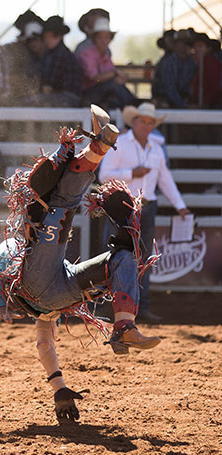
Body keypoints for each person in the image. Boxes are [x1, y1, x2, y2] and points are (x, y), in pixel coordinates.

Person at [0, 105, 161, 422]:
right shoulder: (17, 245)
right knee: (62, 204)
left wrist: (60, 389)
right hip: (42, 280)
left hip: (49, 288)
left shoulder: (16, 251)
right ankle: (98, 148)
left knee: (120, 258)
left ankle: (124, 326)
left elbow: (41, 341)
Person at [99, 102, 190, 323]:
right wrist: (133, 172)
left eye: (151, 123)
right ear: (135, 122)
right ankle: (108, 308)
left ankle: (138, 307)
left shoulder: (155, 148)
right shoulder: (120, 142)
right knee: (114, 258)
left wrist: (180, 205)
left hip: (144, 207)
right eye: (144, 121)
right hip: (122, 207)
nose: (147, 126)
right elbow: (104, 176)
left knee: (142, 259)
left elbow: (165, 179)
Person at [77, 17, 135, 110]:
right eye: (100, 37)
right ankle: (134, 106)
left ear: (110, 39)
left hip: (101, 95)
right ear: (94, 39)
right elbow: (96, 79)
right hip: (86, 95)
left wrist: (118, 78)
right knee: (113, 86)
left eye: (106, 37)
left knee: (115, 99)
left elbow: (108, 74)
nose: (103, 41)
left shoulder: (105, 55)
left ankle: (132, 110)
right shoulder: (87, 54)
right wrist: (115, 74)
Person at [32, 16, 81, 107]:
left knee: (31, 103)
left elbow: (50, 85)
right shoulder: (53, 53)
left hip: (67, 97)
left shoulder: (60, 54)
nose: (47, 40)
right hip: (62, 96)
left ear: (58, 36)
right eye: (45, 37)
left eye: (50, 36)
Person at [4, 10, 45, 104]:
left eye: (35, 40)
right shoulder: (23, 56)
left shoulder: (42, 58)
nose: (33, 43)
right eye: (30, 40)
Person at [152, 30, 196, 108]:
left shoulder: (191, 62)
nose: (186, 45)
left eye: (188, 43)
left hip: (181, 99)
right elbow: (169, 88)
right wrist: (183, 105)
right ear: (175, 44)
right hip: (164, 99)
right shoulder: (168, 62)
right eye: (182, 42)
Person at [191, 32, 222, 108]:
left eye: (200, 46)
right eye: (195, 46)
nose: (197, 49)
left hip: (212, 105)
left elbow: (215, 87)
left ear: (208, 48)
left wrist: (205, 103)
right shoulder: (198, 63)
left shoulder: (211, 63)